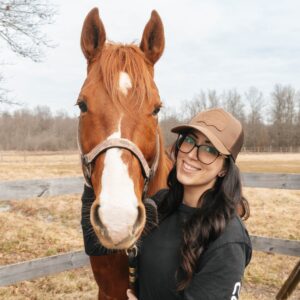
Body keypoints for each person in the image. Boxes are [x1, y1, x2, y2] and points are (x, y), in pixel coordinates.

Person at [82, 108, 252, 300]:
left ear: (224, 168)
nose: (192, 154)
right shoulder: (161, 204)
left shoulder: (227, 239)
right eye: (189, 140)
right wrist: (93, 175)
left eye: (209, 149)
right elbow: (99, 248)